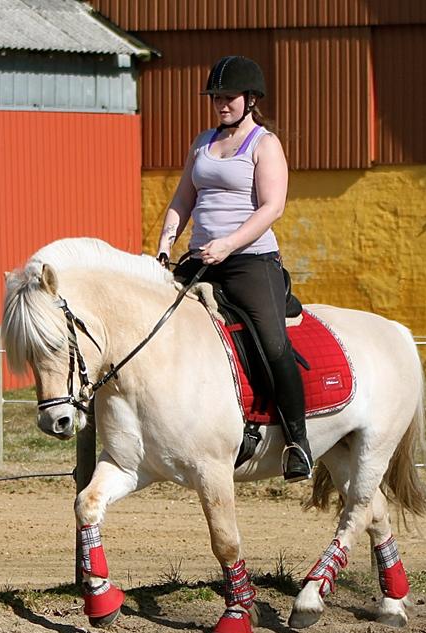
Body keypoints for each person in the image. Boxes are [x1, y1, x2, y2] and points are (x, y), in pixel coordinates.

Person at [156, 55, 312, 482]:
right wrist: (165, 244)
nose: (221, 104)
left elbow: (272, 207)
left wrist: (228, 244)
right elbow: (183, 199)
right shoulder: (202, 143)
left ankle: (298, 441)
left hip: (250, 260)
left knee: (272, 342)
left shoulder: (265, 144)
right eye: (216, 97)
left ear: (251, 99)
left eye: (228, 97)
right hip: (201, 259)